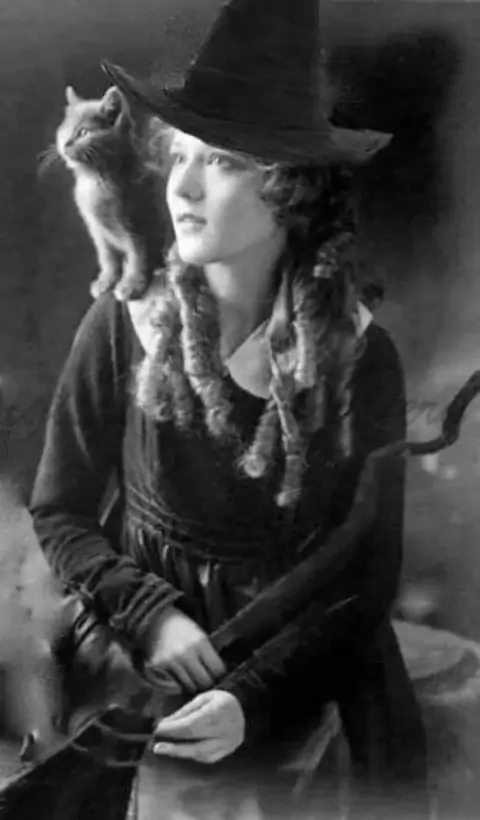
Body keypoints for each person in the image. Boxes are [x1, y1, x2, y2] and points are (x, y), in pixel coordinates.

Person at [29, 0, 428, 817]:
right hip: (142, 642)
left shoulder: (358, 356)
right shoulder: (124, 321)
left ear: (291, 187)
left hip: (302, 654)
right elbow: (61, 510)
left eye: (221, 161)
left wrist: (253, 695)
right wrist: (150, 618)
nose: (181, 186)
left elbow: (367, 570)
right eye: (179, 154)